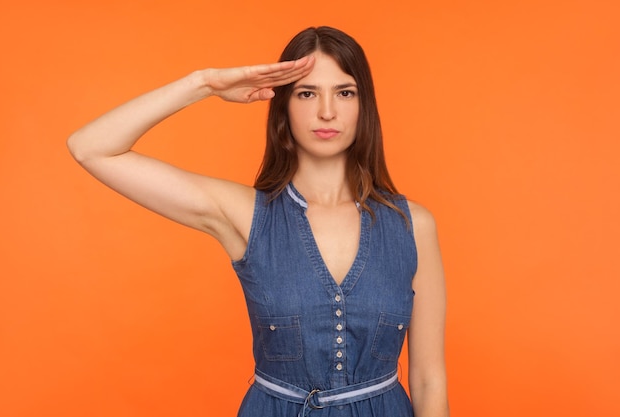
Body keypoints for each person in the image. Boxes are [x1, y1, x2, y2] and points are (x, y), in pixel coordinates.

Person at [67, 26, 449, 417]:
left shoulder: (412, 225)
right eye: (307, 93)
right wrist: (205, 84)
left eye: (344, 92)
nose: (327, 111)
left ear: (364, 104)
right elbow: (90, 148)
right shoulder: (248, 215)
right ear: (282, 104)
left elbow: (428, 380)